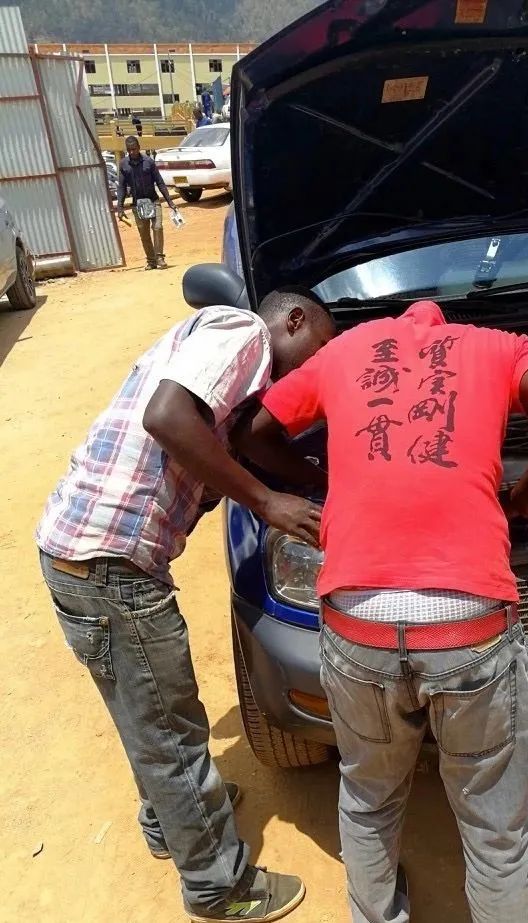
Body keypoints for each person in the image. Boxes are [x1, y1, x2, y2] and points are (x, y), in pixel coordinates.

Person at [247, 300, 528, 923]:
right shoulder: (499, 345)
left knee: (368, 793)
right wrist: (526, 496)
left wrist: (322, 478)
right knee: (493, 816)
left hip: (357, 624)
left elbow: (252, 432)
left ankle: (376, 914)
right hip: (469, 627)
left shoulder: (343, 350)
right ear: (447, 326)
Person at [36, 288, 336, 922]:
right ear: (294, 320)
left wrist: (321, 480)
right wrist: (267, 502)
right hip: (112, 565)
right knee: (171, 731)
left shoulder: (232, 375)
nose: (321, 361)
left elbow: (250, 444)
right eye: (323, 345)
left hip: (80, 555)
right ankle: (218, 887)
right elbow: (167, 417)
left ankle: (168, 821)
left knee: (142, 712)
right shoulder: (242, 333)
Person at [116, 136, 176, 270]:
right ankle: (151, 261)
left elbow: (160, 182)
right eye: (129, 150)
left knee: (157, 227)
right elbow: (121, 187)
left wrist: (170, 201)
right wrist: (120, 208)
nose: (132, 152)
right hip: (138, 205)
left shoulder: (149, 162)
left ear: (139, 147)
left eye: (134, 149)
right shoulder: (124, 165)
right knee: (144, 234)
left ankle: (159, 257)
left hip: (153, 201)